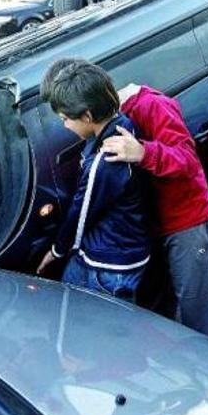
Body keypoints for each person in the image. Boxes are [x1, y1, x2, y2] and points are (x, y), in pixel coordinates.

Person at [101, 84, 208, 340]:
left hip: (185, 222)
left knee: (197, 311)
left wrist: (143, 152)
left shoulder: (153, 106)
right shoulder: (114, 117)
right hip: (149, 227)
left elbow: (187, 159)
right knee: (155, 307)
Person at [36, 61, 151, 304]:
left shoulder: (105, 161)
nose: (64, 125)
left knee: (85, 316)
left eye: (66, 119)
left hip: (107, 267)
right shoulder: (124, 125)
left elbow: (80, 215)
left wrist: (55, 252)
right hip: (129, 249)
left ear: (87, 116)